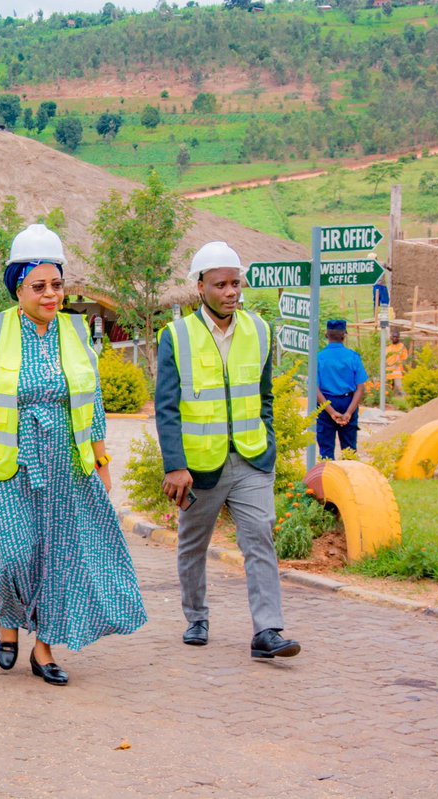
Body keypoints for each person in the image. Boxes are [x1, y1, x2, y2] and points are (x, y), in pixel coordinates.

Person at [0, 224, 146, 686]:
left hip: (65, 465)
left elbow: (90, 401)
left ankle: (43, 648)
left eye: (57, 284)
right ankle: (8, 619)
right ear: (18, 286)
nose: (51, 294)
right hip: (10, 465)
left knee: (59, 557)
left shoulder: (77, 331)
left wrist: (101, 462)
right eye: (39, 286)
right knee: (17, 554)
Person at [155, 241, 299, 660]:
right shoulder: (176, 337)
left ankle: (267, 630)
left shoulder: (259, 330)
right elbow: (167, 408)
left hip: (252, 459)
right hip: (199, 467)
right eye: (221, 284)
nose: (231, 292)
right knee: (193, 544)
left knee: (259, 539)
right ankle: (196, 617)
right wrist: (175, 465)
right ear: (200, 287)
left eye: (236, 283)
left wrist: (267, 441)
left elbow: (265, 395)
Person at [316, 319, 369, 459]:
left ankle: (327, 479)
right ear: (344, 335)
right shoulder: (353, 358)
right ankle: (348, 478)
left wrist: (331, 411)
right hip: (348, 401)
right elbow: (360, 388)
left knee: (326, 450)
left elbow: (314, 390)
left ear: (326, 335)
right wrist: (349, 413)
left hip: (325, 403)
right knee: (349, 450)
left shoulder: (318, 358)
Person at [385, 328, 409, 397]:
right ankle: (389, 398)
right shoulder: (388, 347)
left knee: (399, 386)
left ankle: (403, 399)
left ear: (399, 338)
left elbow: (405, 357)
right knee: (387, 386)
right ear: (391, 337)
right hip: (388, 370)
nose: (395, 338)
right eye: (393, 336)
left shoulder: (401, 346)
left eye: (396, 337)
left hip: (397, 369)